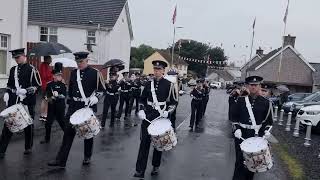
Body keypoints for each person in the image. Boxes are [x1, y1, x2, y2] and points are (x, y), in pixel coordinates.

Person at [48, 51, 105, 168]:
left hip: (87, 107)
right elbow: (71, 89)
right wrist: (68, 101)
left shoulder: (95, 73)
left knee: (87, 132)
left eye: (81, 62)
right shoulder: (74, 73)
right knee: (68, 133)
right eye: (77, 62)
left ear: (87, 61)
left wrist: (96, 97)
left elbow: (102, 89)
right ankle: (61, 160)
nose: (79, 64)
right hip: (73, 107)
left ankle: (87, 156)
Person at [133, 60, 178, 179]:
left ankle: (156, 165)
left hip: (159, 118)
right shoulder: (148, 84)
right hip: (147, 117)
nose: (156, 71)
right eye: (155, 69)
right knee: (144, 143)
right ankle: (139, 170)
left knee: (159, 144)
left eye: (159, 69)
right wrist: (141, 109)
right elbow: (142, 99)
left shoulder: (169, 85)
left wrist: (167, 112)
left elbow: (173, 103)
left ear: (163, 71)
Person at [0, 48, 41, 158]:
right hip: (14, 101)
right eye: (15, 58)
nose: (16, 60)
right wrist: (7, 93)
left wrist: (27, 91)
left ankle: (28, 147)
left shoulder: (32, 69)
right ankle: (1, 150)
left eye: (18, 57)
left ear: (24, 56)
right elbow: (9, 85)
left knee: (28, 125)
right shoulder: (13, 69)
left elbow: (38, 86)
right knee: (8, 124)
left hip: (27, 102)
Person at [232, 76, 273, 180]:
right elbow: (234, 117)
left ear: (259, 86)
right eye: (251, 85)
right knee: (240, 162)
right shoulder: (241, 100)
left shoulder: (266, 103)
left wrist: (266, 132)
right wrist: (236, 128)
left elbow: (268, 122)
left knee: (253, 165)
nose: (253, 87)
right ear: (247, 86)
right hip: (241, 134)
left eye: (256, 85)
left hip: (256, 136)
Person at [40, 62, 66, 144]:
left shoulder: (63, 85)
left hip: (60, 107)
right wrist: (48, 97)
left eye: (60, 75)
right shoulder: (49, 84)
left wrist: (58, 95)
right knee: (48, 124)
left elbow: (64, 95)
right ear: (54, 76)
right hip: (51, 107)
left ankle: (67, 137)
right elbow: (46, 95)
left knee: (62, 123)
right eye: (58, 75)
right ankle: (47, 139)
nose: (60, 77)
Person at [39, 56, 53, 121]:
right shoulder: (44, 65)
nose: (51, 60)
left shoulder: (45, 65)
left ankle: (42, 115)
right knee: (46, 101)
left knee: (44, 100)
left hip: (45, 85)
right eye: (50, 59)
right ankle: (44, 115)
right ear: (47, 59)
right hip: (46, 85)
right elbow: (44, 75)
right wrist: (51, 75)